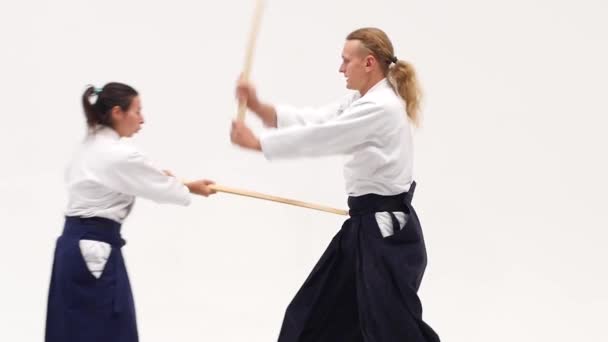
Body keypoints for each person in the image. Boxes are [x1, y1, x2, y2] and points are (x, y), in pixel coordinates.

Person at [230, 27, 440, 341]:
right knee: (312, 316)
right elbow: (317, 121)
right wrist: (259, 107)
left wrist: (259, 143)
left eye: (346, 61)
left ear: (369, 63)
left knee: (391, 329)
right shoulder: (363, 101)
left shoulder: (381, 108)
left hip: (383, 235)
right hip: (365, 231)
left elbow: (324, 138)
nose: (341, 68)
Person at [45, 82, 215, 342]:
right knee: (105, 330)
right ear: (117, 112)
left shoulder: (90, 145)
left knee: (74, 329)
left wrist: (180, 184)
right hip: (93, 252)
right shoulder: (117, 155)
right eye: (137, 111)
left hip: (73, 248)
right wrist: (187, 188)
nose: (142, 119)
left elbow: (146, 178)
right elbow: (161, 187)